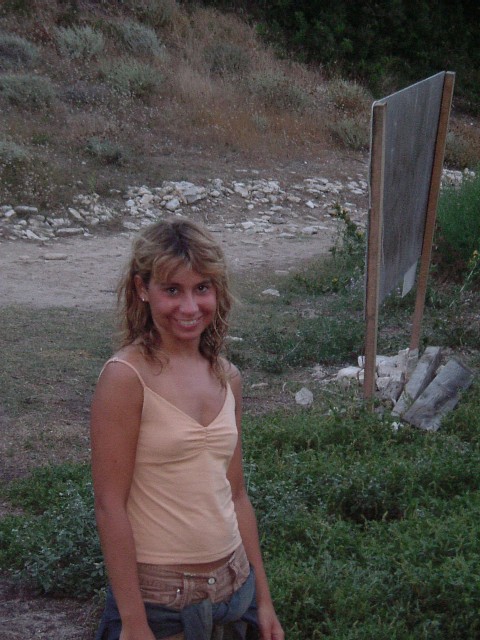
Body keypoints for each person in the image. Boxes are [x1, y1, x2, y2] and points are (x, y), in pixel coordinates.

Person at [91, 219, 284, 640]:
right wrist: (134, 623)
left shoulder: (227, 377)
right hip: (161, 603)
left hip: (235, 592)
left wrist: (263, 601)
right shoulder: (125, 378)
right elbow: (109, 505)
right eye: (173, 290)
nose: (190, 306)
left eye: (202, 288)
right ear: (143, 289)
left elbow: (236, 494)